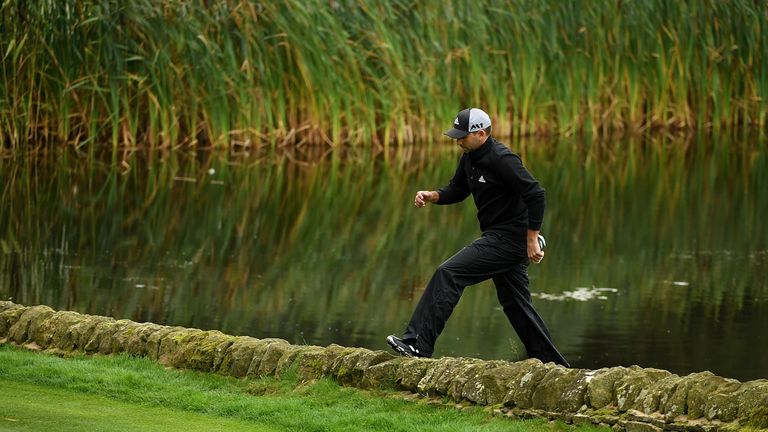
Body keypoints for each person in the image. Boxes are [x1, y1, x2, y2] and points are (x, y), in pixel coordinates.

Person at [386, 107, 570, 367]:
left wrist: (532, 238)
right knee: (515, 304)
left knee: (448, 273)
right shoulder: (469, 157)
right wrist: (433, 196)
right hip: (499, 237)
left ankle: (417, 344)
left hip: (508, 239)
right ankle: (554, 366)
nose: (458, 141)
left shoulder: (502, 158)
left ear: (481, 134)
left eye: (462, 136)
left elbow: (535, 194)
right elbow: (458, 189)